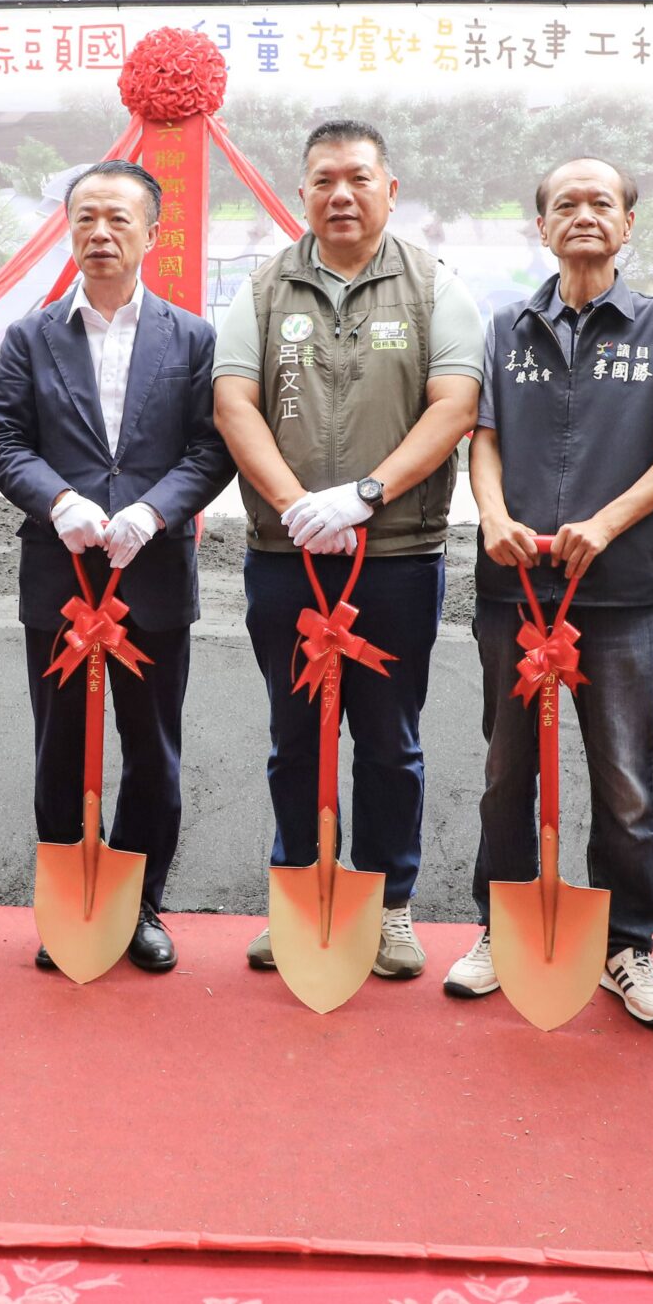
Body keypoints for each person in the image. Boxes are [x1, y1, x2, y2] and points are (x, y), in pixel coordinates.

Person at [213, 118, 484, 980]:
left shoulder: (437, 287)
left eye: (359, 178)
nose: (341, 193)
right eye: (324, 179)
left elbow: (454, 405)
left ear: (389, 188)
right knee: (295, 734)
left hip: (398, 552)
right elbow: (233, 403)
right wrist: (298, 507)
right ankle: (298, 890)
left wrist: (365, 495)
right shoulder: (261, 290)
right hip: (285, 553)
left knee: (389, 738)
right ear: (302, 193)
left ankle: (389, 905)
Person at [449, 157, 653, 1028]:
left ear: (630, 224)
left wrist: (604, 524)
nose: (585, 215)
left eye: (603, 202)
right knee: (503, 770)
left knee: (625, 781)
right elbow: (480, 441)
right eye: (567, 204)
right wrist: (491, 515)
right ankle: (500, 927)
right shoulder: (504, 329)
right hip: (514, 589)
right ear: (543, 227)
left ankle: (629, 945)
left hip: (624, 591)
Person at [0, 161, 235, 972]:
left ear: (151, 235)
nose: (100, 233)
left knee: (152, 746)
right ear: (68, 228)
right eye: (86, 218)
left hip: (153, 571)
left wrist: (152, 509)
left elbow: (210, 446)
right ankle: (67, 906)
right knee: (59, 745)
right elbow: (3, 441)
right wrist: (59, 502)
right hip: (60, 574)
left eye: (119, 220)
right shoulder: (29, 335)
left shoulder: (195, 336)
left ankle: (142, 904)